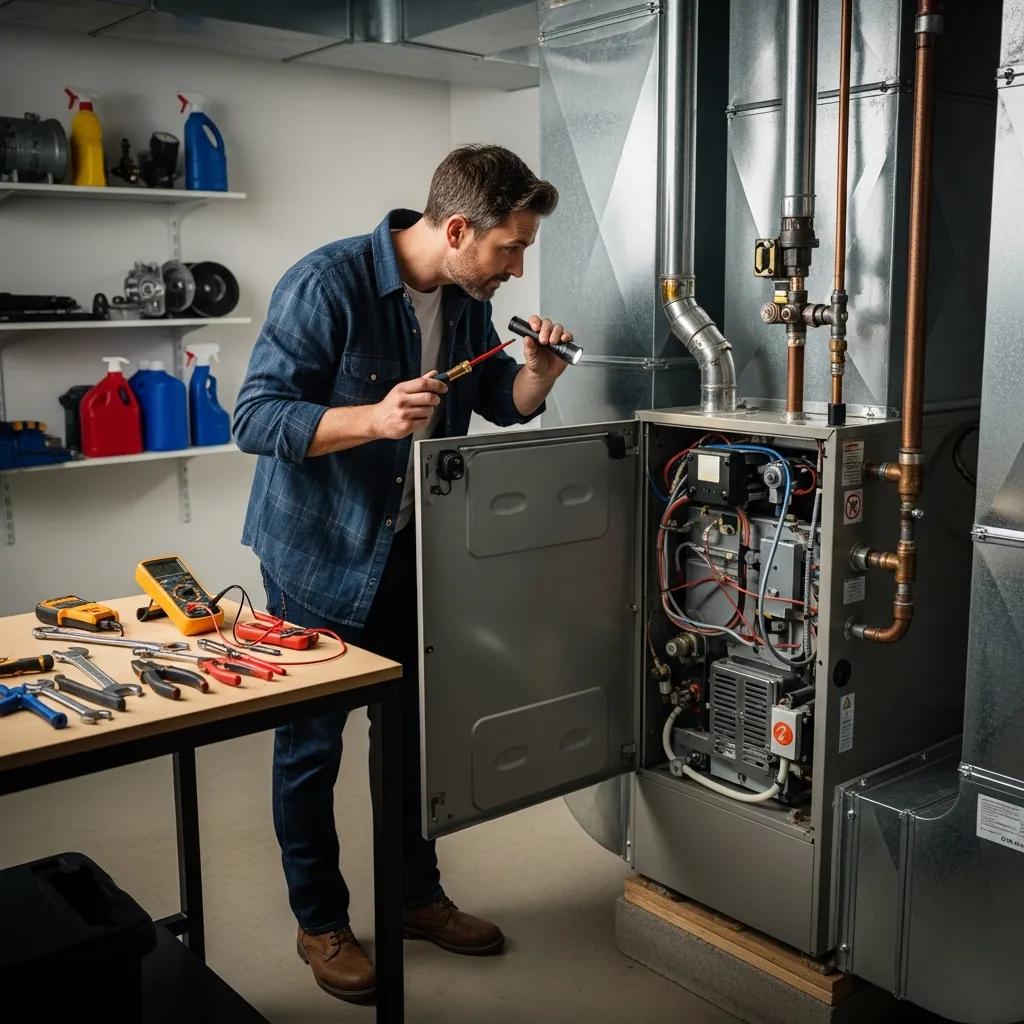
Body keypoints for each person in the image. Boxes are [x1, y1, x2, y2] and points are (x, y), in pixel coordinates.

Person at [233, 144, 572, 1003]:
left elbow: (497, 404)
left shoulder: (462, 300)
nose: (517, 266)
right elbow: (256, 418)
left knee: (414, 740)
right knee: (310, 752)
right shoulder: (327, 283)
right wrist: (373, 418)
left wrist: (536, 371)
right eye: (509, 248)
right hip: (317, 556)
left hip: (410, 552)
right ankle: (321, 923)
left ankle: (416, 898)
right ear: (458, 229)